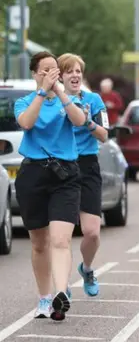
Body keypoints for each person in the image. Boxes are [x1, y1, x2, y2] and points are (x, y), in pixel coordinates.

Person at [14, 51, 87, 321]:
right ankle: (44, 297)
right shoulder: (24, 102)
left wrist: (60, 91)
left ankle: (60, 294)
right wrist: (42, 92)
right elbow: (27, 122)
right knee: (39, 243)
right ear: (35, 74)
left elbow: (79, 121)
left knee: (60, 239)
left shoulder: (68, 100)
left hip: (65, 175)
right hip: (33, 174)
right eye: (45, 71)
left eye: (54, 70)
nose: (50, 75)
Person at [58, 53, 109, 296]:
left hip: (87, 166)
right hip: (62, 166)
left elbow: (104, 135)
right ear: (60, 76)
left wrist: (88, 122)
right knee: (63, 234)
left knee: (92, 232)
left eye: (78, 71)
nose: (75, 75)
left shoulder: (94, 99)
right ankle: (61, 283)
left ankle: (87, 268)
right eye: (70, 71)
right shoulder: (53, 101)